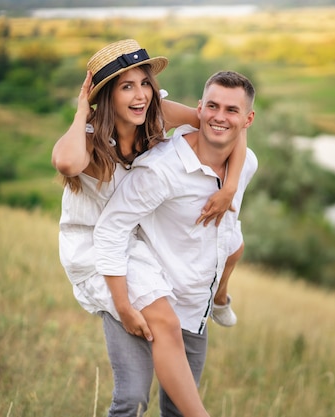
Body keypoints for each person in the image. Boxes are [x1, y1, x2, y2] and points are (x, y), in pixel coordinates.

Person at [52, 39, 245, 417]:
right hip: (95, 247)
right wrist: (81, 110)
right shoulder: (90, 142)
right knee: (165, 325)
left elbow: (225, 124)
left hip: (135, 236)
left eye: (145, 83)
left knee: (232, 243)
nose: (141, 95)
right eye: (127, 87)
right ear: (105, 96)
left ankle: (219, 297)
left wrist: (231, 188)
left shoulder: (155, 115)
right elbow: (65, 162)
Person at [93, 70, 257, 417]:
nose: (219, 117)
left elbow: (226, 233)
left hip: (194, 307)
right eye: (212, 106)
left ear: (248, 119)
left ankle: (220, 297)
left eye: (232, 110)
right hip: (148, 295)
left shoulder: (247, 164)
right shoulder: (161, 170)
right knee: (131, 403)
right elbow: (109, 230)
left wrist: (228, 190)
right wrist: (123, 305)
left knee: (179, 411)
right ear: (199, 108)